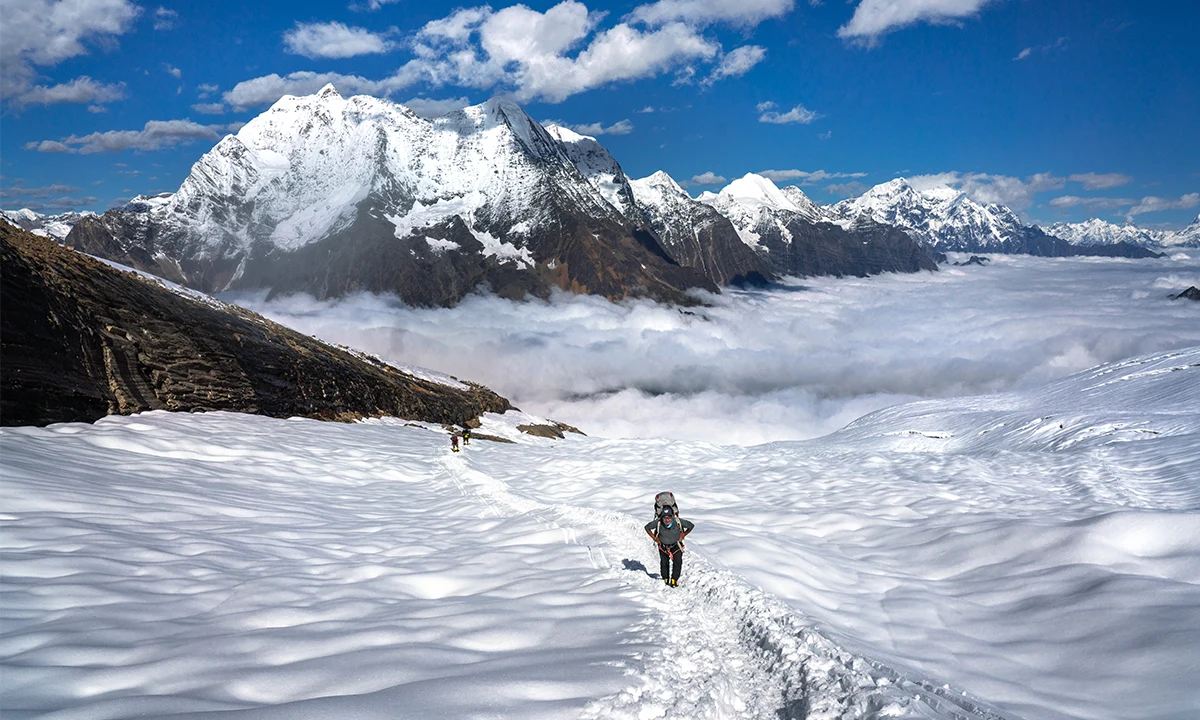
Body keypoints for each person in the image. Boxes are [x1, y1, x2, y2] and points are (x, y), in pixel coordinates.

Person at [644, 506, 693, 586]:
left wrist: (684, 534)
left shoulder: (678, 522)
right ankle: (665, 578)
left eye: (669, 518)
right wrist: (655, 538)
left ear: (672, 516)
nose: (667, 520)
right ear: (662, 517)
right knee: (664, 562)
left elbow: (690, 526)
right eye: (665, 518)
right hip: (663, 547)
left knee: (677, 562)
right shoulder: (658, 522)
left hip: (676, 545)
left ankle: (674, 579)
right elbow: (647, 528)